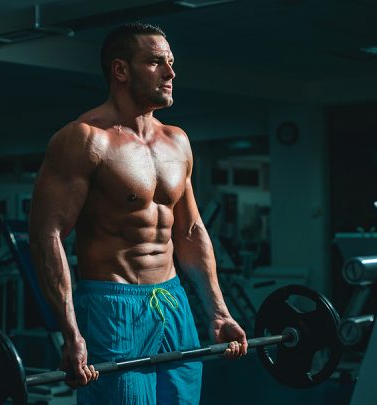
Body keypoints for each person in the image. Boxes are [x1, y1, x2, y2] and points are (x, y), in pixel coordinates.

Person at [29, 22, 247, 404]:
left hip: (174, 302)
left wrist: (218, 311)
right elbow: (48, 236)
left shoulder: (177, 141)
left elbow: (191, 232)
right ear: (121, 70)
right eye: (156, 62)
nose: (170, 73)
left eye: (171, 62)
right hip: (113, 306)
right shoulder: (84, 139)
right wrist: (71, 332)